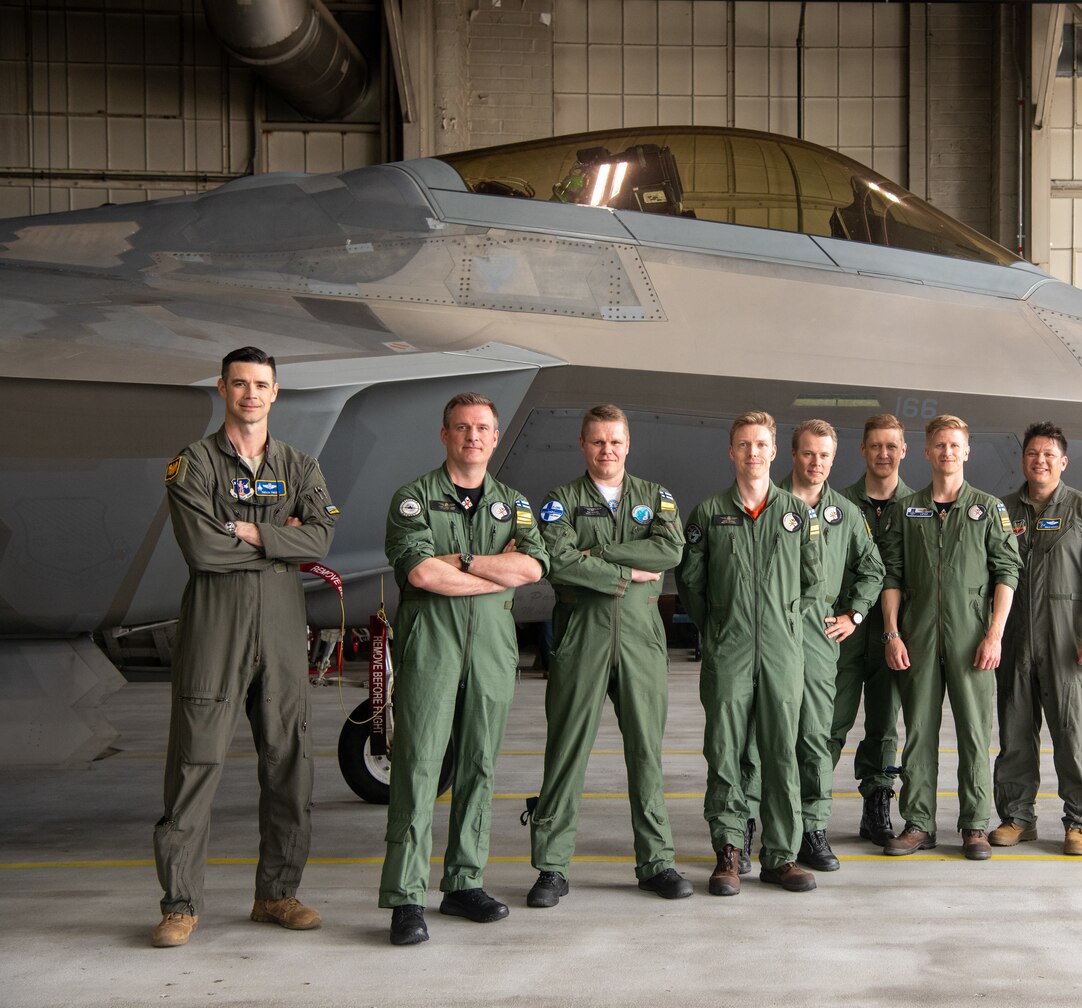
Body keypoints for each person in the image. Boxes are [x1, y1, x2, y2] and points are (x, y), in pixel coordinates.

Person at [151, 346, 338, 948]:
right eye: (240, 384)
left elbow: (324, 536)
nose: (251, 394)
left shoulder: (301, 464)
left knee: (290, 766)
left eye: (261, 384)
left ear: (276, 392)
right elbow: (203, 550)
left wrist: (252, 530)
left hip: (282, 632)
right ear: (223, 389)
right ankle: (180, 905)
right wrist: (283, 542)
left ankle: (277, 895)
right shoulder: (194, 464)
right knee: (194, 765)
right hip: (216, 629)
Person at [379, 392, 548, 945]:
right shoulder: (414, 498)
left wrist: (467, 563)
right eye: (462, 427)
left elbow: (531, 567)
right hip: (431, 643)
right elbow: (422, 575)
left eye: (483, 428)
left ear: (496, 437)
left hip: (493, 648)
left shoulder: (515, 504)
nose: (473, 436)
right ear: (445, 435)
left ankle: (463, 883)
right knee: (419, 766)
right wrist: (493, 578)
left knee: (480, 764)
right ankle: (406, 897)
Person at [524, 405, 691, 908]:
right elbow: (557, 561)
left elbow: (670, 552)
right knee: (566, 752)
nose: (607, 450)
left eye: (615, 441)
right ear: (582, 444)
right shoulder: (561, 501)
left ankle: (657, 861)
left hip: (641, 640)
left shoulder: (654, 497)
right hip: (582, 639)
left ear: (628, 444)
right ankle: (552, 867)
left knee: (646, 753)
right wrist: (624, 574)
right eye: (597, 441)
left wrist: (599, 557)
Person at [676, 412, 823, 894]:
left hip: (783, 651)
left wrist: (779, 623)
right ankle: (729, 853)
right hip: (729, 650)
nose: (753, 453)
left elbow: (812, 578)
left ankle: (781, 856)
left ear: (774, 451)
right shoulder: (708, 514)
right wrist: (720, 627)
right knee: (725, 752)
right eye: (743, 444)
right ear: (731, 451)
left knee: (783, 750)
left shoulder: (798, 513)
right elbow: (692, 585)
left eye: (761, 444)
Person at [878, 415, 1020, 860]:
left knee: (975, 733)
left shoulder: (988, 508)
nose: (947, 453)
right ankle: (918, 823)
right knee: (918, 731)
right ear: (926, 451)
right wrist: (892, 634)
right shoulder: (907, 509)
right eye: (939, 445)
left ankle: (975, 825)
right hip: (917, 637)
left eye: (955, 445)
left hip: (971, 640)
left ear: (967, 451)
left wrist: (994, 634)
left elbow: (1007, 572)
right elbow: (892, 576)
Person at [753, 419, 885, 871]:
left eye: (825, 455)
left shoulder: (845, 513)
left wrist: (855, 614)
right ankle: (755, 824)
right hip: (764, 633)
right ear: (793, 455)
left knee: (815, 735)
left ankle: (811, 827)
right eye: (809, 453)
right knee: (758, 735)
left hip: (817, 636)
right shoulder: (765, 505)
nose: (817, 463)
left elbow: (873, 569)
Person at [988, 422, 1082, 857]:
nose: (1039, 461)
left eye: (1048, 454)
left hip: (1068, 643)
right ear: (1023, 460)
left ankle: (1079, 821)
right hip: (1016, 642)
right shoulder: (1001, 511)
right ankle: (1017, 818)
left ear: (1063, 461)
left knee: (1072, 734)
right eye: (1032, 454)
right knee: (1015, 734)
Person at [832, 414, 914, 844]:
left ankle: (877, 805)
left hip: (891, 635)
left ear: (903, 451)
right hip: (842, 633)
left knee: (884, 724)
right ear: (862, 450)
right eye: (875, 446)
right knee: (829, 722)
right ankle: (808, 808)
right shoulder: (837, 505)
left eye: (891, 446)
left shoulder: (917, 507)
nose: (884, 454)